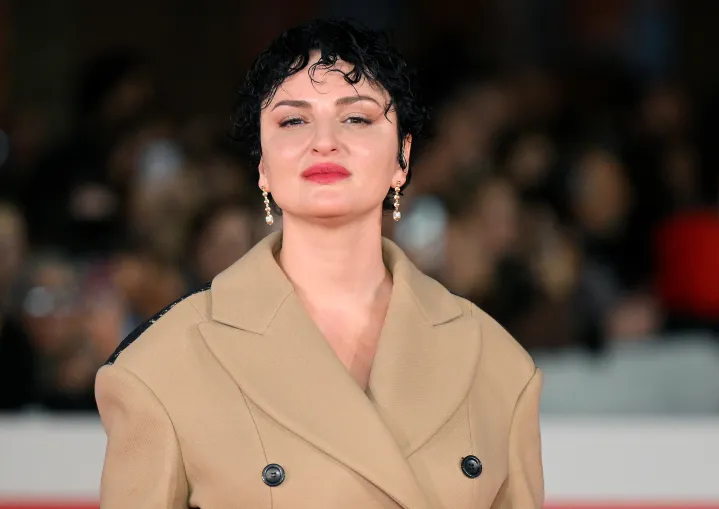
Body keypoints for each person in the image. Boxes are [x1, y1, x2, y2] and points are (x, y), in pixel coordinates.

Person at [95, 18, 544, 509]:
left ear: (402, 156)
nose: (324, 141)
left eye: (357, 118)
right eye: (293, 120)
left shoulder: (498, 365)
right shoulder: (160, 368)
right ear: (262, 164)